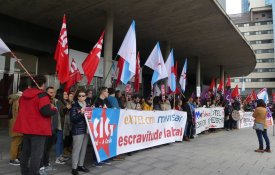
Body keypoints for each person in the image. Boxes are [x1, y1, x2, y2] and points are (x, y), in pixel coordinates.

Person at [13, 75, 57, 175]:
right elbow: (46, 111)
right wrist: (53, 109)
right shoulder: (42, 95)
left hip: (26, 128)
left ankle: (24, 172)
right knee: (36, 154)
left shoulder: (23, 95)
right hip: (39, 130)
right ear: (42, 84)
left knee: (25, 153)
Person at [70, 90, 90, 175]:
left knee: (83, 149)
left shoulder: (88, 105)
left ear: (85, 96)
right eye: (80, 96)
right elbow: (73, 119)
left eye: (83, 95)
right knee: (76, 150)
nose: (81, 97)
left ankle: (80, 165)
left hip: (86, 130)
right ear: (77, 97)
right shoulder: (74, 106)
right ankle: (74, 168)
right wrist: (81, 113)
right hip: (78, 130)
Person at [8, 91, 23, 166]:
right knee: (16, 142)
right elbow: (19, 112)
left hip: (14, 122)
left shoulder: (14, 98)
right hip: (17, 123)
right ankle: (13, 159)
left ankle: (16, 157)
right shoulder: (18, 99)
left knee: (18, 141)